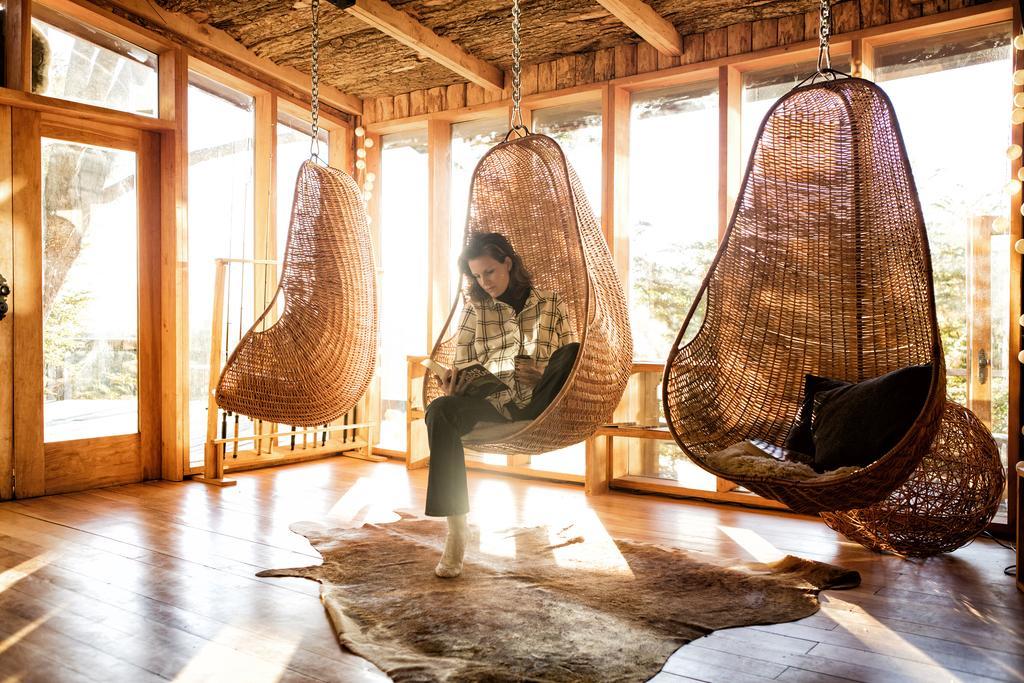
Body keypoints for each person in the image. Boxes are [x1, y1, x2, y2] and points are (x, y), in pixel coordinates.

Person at [425, 232, 579, 578]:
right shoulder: (475, 311)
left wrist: (542, 376)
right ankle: (457, 529)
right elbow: (462, 362)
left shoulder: (552, 306)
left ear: (508, 263)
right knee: (439, 411)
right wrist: (453, 383)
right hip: (490, 403)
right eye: (477, 276)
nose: (484, 282)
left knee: (572, 352)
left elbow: (572, 366)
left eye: (490, 272)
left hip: (538, 405)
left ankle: (457, 530)